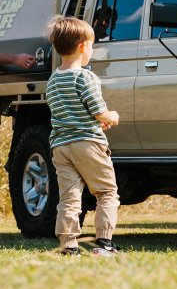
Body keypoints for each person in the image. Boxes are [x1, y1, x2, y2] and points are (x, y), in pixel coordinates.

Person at [45, 16, 121, 256]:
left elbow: (67, 111)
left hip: (61, 146)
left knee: (69, 198)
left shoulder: (53, 80)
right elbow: (99, 111)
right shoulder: (84, 77)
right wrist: (112, 116)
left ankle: (68, 246)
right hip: (88, 144)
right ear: (81, 46)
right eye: (91, 45)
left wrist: (94, 120)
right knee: (106, 192)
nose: (91, 50)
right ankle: (104, 244)